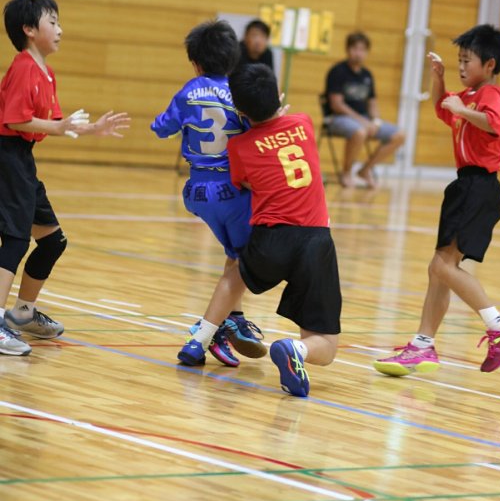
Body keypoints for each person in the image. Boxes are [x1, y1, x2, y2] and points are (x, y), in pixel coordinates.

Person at [176, 63, 342, 398]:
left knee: (234, 273)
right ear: (278, 95)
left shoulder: (240, 147)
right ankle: (297, 350)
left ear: (240, 112)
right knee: (326, 344)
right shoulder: (303, 122)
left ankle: (200, 340)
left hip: (271, 238)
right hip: (315, 241)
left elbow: (245, 182)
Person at [374, 25, 500, 377]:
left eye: (467, 60)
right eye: (459, 60)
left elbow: (497, 125)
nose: (461, 66)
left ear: (489, 64)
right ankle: (423, 345)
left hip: (479, 186)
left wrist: (462, 107)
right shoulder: (467, 96)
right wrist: (439, 80)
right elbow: (444, 109)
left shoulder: (489, 94)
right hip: (465, 186)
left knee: (443, 267)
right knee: (438, 269)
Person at [0, 0, 131, 356]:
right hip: (6, 156)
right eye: (52, 22)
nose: (60, 29)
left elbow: (57, 123)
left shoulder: (46, 73)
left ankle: (22, 313)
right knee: (15, 241)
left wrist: (92, 129)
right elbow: (14, 119)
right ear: (29, 29)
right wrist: (58, 127)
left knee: (53, 241)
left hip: (21, 159)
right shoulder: (23, 67)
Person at [151, 20, 267, 367]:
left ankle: (234, 318)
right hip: (232, 191)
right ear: (233, 59)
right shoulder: (237, 92)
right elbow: (256, 130)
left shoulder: (188, 91)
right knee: (249, 258)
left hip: (197, 192)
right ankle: (213, 330)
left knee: (236, 255)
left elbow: (161, 128)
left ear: (196, 63)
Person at [324, 31, 405, 188]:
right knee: (359, 132)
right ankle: (346, 172)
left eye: (362, 49)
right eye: (355, 48)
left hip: (364, 119)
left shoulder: (367, 75)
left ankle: (365, 169)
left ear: (367, 52)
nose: (358, 53)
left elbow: (372, 102)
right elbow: (337, 105)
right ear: (348, 49)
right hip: (337, 118)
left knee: (399, 135)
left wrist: (376, 121)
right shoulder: (337, 71)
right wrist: (362, 121)